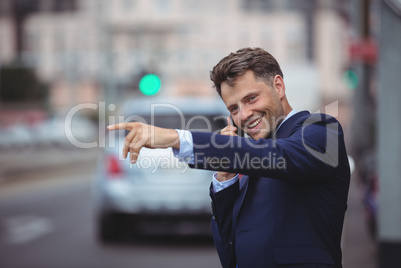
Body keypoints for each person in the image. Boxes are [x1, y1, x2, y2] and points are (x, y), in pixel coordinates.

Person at [107, 47, 350, 268]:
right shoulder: (246, 153)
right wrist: (225, 178)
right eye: (233, 108)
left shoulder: (320, 129)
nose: (244, 114)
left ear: (278, 86)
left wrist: (176, 138)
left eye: (251, 99)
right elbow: (230, 249)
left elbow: (281, 157)